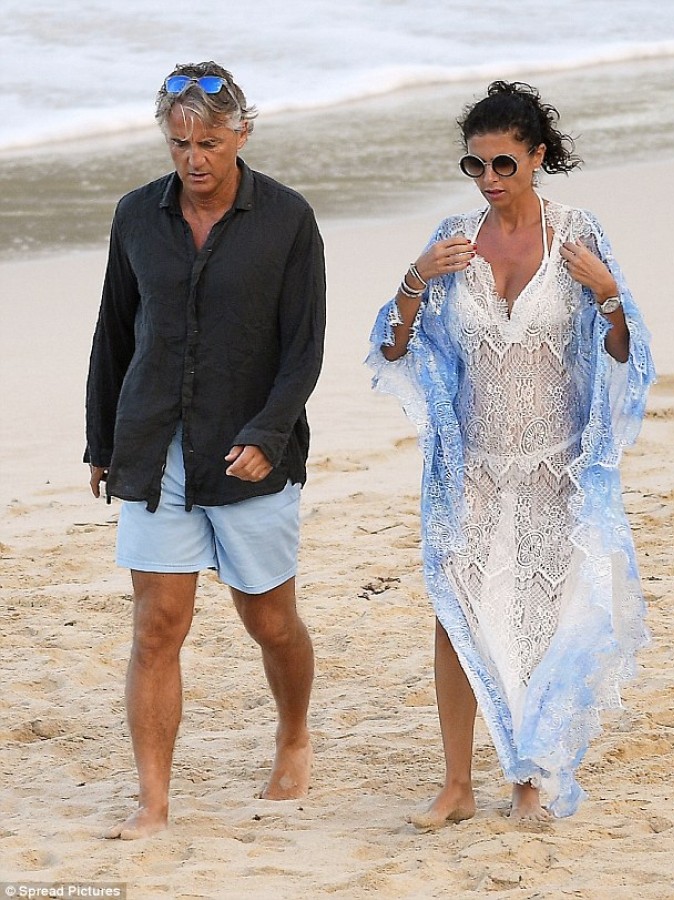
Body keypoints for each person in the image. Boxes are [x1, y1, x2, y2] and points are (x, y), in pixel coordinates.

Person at [367, 81, 654, 826]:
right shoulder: (453, 239)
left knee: (541, 619)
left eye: (503, 163)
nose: (489, 179)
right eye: (476, 165)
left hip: (558, 469)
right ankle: (457, 786)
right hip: (471, 470)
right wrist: (413, 280)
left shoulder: (577, 233)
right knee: (458, 614)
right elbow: (394, 349)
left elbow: (624, 356)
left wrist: (608, 294)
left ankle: (530, 776)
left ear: (536, 157)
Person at [85, 61, 326, 840]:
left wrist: (266, 436)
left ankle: (293, 733)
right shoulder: (135, 215)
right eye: (179, 143)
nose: (194, 158)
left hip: (248, 452)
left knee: (269, 620)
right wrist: (101, 441)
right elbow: (115, 330)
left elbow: (303, 347)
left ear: (241, 134)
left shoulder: (287, 218)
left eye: (209, 143)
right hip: (155, 446)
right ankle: (153, 801)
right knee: (157, 624)